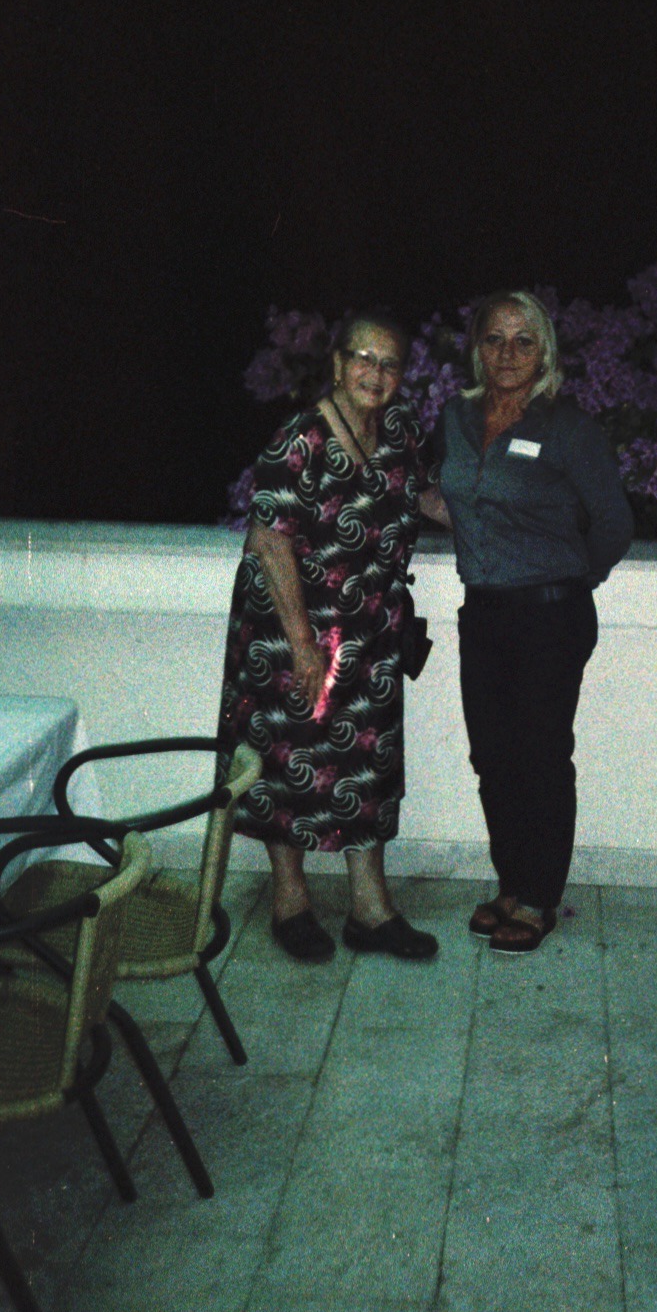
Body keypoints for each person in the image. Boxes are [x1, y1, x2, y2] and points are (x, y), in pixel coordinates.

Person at [217, 310, 448, 962]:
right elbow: (269, 540)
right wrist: (300, 645)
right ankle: (290, 901)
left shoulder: (399, 428)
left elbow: (421, 495)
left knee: (367, 764)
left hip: (371, 631)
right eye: (362, 358)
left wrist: (499, 512)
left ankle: (370, 910)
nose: (375, 372)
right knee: (288, 761)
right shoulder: (300, 436)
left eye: (389, 362)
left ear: (402, 374)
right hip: (290, 628)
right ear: (339, 362)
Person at [438, 290, 634, 954]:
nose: (508, 353)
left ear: (544, 350)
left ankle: (540, 896)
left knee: (541, 756)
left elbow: (614, 522)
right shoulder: (456, 418)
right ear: (477, 348)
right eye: (495, 339)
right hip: (484, 613)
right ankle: (511, 881)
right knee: (492, 757)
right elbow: (462, 501)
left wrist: (572, 580)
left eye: (523, 340)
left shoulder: (567, 427)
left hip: (550, 617)